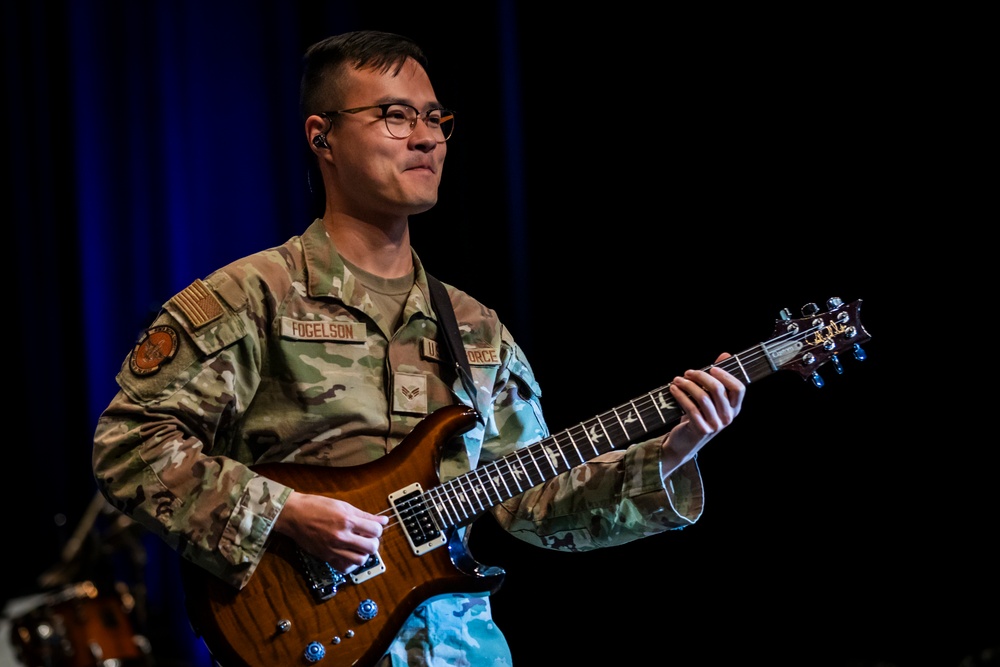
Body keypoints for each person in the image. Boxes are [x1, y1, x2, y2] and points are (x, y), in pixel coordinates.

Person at [92, 29, 746, 666]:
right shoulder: (251, 297)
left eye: (435, 118)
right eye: (394, 115)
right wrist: (283, 512)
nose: (427, 136)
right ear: (322, 137)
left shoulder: (475, 328)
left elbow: (535, 503)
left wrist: (673, 448)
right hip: (306, 639)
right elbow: (128, 445)